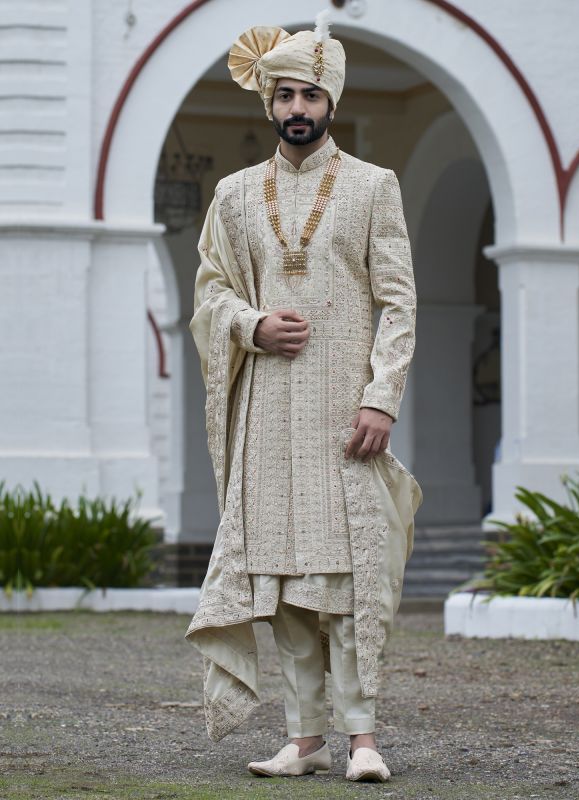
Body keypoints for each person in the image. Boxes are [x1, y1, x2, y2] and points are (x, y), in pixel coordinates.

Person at [185, 11, 422, 784]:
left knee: (348, 580)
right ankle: (302, 737)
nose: (297, 109)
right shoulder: (233, 195)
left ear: (331, 102)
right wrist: (251, 325)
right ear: (269, 103)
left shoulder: (372, 188)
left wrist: (381, 398)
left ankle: (362, 739)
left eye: (310, 96)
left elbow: (400, 301)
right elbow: (211, 292)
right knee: (283, 583)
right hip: (268, 413)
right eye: (284, 94)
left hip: (344, 414)